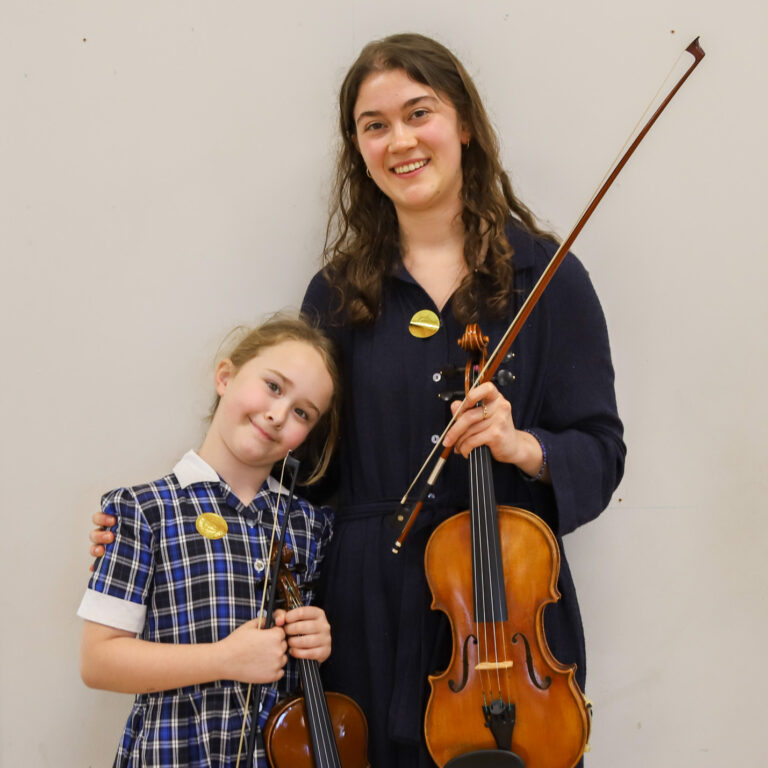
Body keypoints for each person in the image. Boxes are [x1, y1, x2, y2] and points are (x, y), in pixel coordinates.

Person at [92, 33, 625, 768]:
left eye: (418, 113)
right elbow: (290, 464)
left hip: (508, 624)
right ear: (358, 148)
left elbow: (601, 451)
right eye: (374, 125)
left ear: (464, 122)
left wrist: (521, 444)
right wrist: (172, 525)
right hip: (364, 611)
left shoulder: (551, 280)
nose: (399, 140)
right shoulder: (339, 295)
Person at [79, 315, 341, 768]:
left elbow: (306, 656)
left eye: (302, 413)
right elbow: (98, 661)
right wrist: (224, 659)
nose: (279, 414)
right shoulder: (142, 509)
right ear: (226, 376)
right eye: (274, 386)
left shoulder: (309, 525)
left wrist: (316, 637)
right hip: (170, 754)